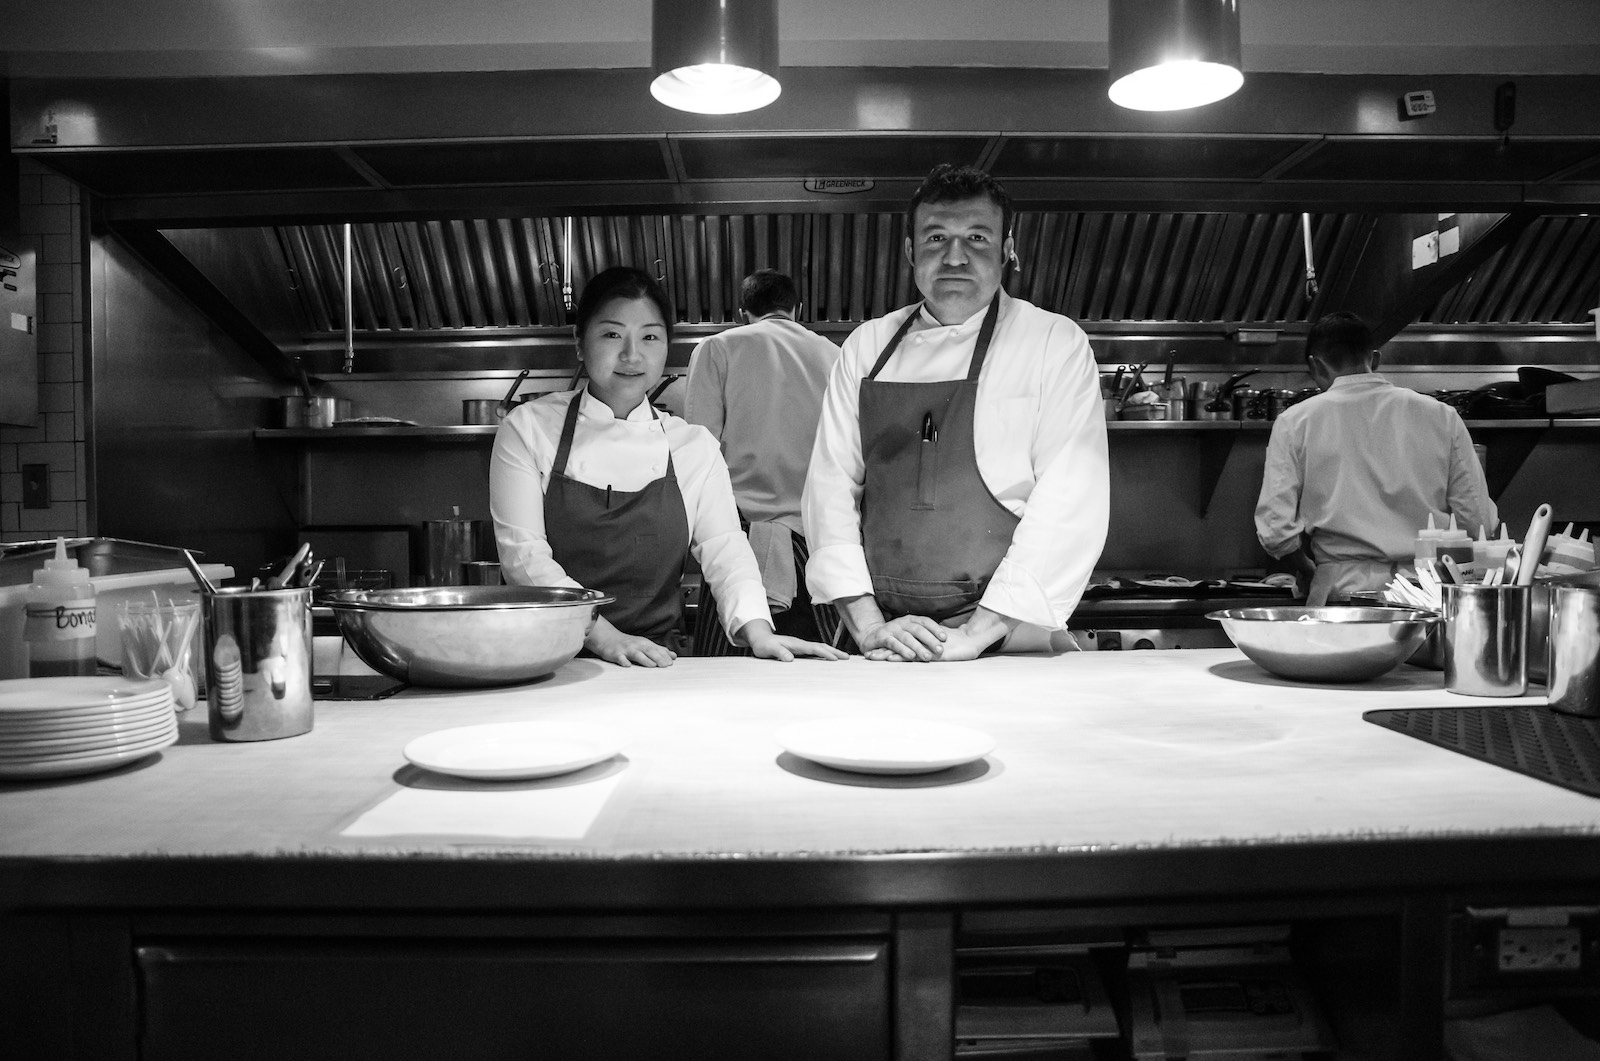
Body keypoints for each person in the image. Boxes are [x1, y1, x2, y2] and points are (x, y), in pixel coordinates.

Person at [801, 164, 1109, 662]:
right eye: (936, 237)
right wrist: (869, 627)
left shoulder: (1053, 342)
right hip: (887, 644)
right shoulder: (867, 346)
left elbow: (1071, 501)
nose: (955, 256)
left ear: (1008, 249)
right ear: (910, 252)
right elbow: (829, 489)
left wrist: (975, 634)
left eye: (978, 237)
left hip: (1007, 640)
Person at [489, 266, 847, 668]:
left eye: (649, 337)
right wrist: (606, 638)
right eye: (611, 334)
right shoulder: (529, 428)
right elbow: (523, 556)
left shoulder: (693, 445)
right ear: (579, 342)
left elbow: (725, 548)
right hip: (541, 661)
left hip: (654, 662)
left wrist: (759, 630)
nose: (631, 354)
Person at [1254, 310, 1498, 606]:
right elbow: (1478, 521)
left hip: (1341, 592)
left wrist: (1306, 568)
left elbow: (1275, 528)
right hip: (1425, 589)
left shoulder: (1296, 421)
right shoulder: (1441, 415)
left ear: (1315, 366)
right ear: (1376, 359)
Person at [685, 269, 842, 650]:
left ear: (743, 312)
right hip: (817, 542)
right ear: (797, 309)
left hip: (735, 541)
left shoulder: (717, 348)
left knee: (727, 677)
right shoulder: (836, 356)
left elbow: (698, 450)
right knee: (820, 669)